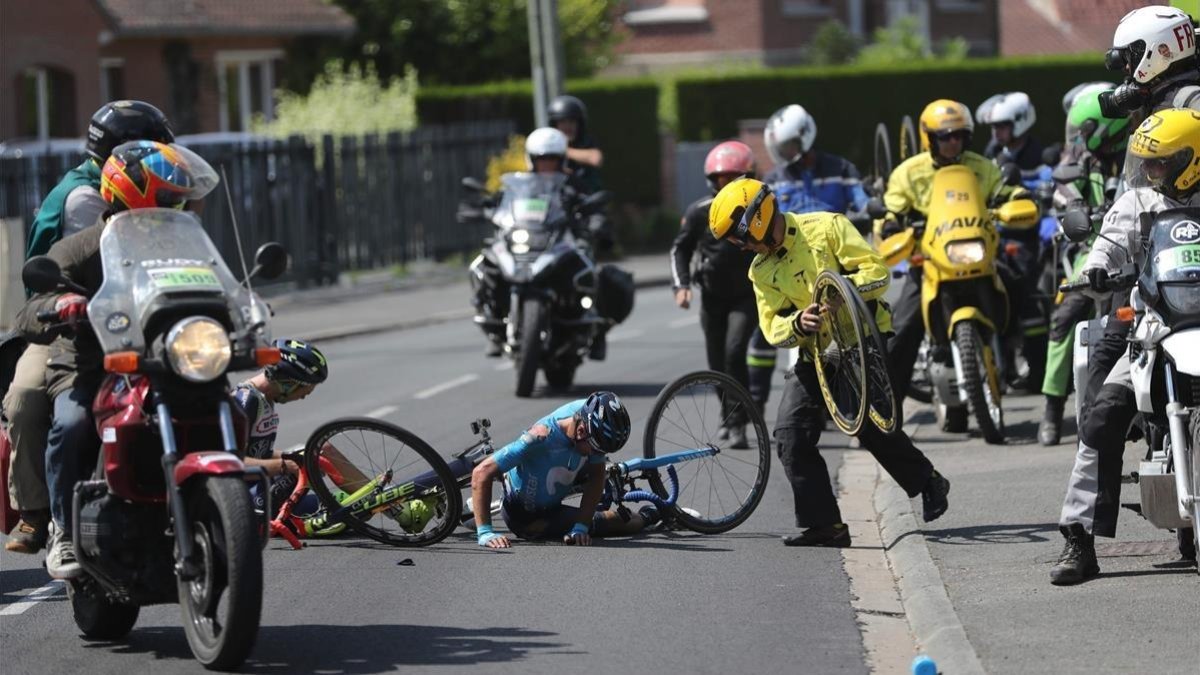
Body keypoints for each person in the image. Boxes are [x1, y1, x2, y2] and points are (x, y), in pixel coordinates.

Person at [709, 177, 951, 547]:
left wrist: (842, 290)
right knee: (790, 433)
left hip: (862, 338)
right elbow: (773, 326)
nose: (739, 246)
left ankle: (927, 481)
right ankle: (826, 526)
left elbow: (877, 273)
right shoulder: (760, 270)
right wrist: (797, 322)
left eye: (737, 237)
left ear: (753, 220)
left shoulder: (826, 227)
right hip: (817, 352)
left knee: (866, 424)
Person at [15, 140, 215, 579]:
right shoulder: (84, 246)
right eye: (168, 197)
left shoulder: (185, 245)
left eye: (179, 197)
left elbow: (221, 287)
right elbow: (29, 309)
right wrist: (60, 305)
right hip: (94, 366)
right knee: (70, 425)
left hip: (169, 361)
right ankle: (65, 532)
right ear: (131, 193)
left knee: (229, 406)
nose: (178, 205)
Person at [2, 100, 173, 554]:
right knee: (28, 401)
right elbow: (98, 270)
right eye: (150, 149)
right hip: (70, 323)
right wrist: (66, 305)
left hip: (137, 325)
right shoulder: (89, 198)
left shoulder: (161, 206)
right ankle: (42, 518)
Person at [1050, 108, 1200, 584]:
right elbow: (1110, 241)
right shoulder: (1137, 201)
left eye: (1161, 162)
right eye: (1148, 163)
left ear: (1191, 159)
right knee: (1103, 414)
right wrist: (1096, 268)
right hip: (1156, 328)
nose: (1150, 171)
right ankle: (1080, 538)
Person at [879, 99, 1026, 406]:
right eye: (945, 136)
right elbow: (889, 210)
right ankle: (887, 408)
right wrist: (891, 224)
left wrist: (1020, 196)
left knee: (1022, 289)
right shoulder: (907, 173)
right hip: (931, 261)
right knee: (902, 327)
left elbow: (1005, 191)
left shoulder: (982, 166)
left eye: (959, 135)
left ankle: (1019, 362)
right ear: (929, 139)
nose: (953, 142)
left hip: (977, 254)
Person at [1037, 89, 1129, 446]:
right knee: (1066, 313)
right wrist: (1076, 205)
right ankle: (1052, 407)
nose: (1076, 137)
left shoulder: (1137, 149)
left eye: (1082, 130)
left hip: (1137, 246)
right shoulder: (1081, 158)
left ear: (1104, 127)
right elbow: (1062, 186)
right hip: (1093, 246)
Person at [470, 391, 654, 548]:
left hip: (558, 482)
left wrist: (581, 527)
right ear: (581, 431)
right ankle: (653, 514)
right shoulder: (539, 439)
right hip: (528, 518)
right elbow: (481, 473)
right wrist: (485, 533)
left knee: (603, 473)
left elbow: (597, 474)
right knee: (626, 522)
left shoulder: (587, 414)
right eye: (597, 449)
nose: (599, 455)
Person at [670, 141, 760, 447]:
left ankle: (738, 424)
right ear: (712, 180)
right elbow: (680, 249)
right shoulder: (699, 212)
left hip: (747, 297)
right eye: (722, 179)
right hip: (712, 297)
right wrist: (681, 285)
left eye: (734, 178)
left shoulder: (759, 208)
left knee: (735, 352)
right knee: (717, 363)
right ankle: (729, 412)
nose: (727, 185)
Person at [977, 92, 1045, 172]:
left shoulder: (1036, 155)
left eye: (1001, 126)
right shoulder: (993, 149)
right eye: (993, 126)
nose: (996, 133)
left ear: (1020, 123)